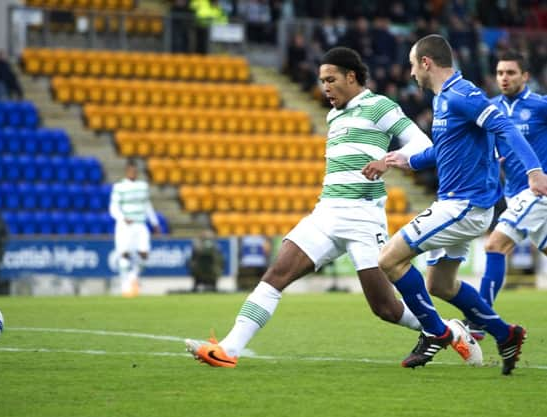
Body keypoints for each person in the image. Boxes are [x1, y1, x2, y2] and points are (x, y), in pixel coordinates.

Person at [186, 46, 480, 368]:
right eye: (321, 80)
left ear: (351, 77)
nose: (324, 87)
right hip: (326, 214)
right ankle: (229, 349)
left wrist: (388, 161)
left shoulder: (379, 106)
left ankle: (448, 331)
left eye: (330, 79)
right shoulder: (334, 114)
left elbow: (423, 144)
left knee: (385, 308)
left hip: (363, 218)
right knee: (275, 275)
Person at [377, 34, 547, 375]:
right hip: (456, 204)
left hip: (465, 206)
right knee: (439, 284)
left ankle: (435, 333)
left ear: (426, 63)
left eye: (413, 65)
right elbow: (445, 150)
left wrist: (534, 170)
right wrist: (408, 160)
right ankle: (506, 334)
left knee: (389, 259)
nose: (411, 74)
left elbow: (504, 126)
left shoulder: (462, 94)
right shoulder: (443, 100)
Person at [463, 51, 547, 339]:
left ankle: (479, 319)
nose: (504, 78)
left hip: (537, 192)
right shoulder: (491, 109)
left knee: (495, 245)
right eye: (500, 73)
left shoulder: (539, 106)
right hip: (513, 195)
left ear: (525, 76)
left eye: (511, 72)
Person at [109, 159, 160, 297]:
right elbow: (113, 207)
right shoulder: (119, 187)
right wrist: (122, 217)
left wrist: (154, 222)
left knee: (144, 253)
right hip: (125, 225)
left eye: (135, 171)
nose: (133, 173)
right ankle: (125, 285)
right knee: (124, 253)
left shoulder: (142, 186)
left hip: (140, 224)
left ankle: (133, 276)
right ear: (126, 171)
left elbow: (147, 205)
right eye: (131, 171)